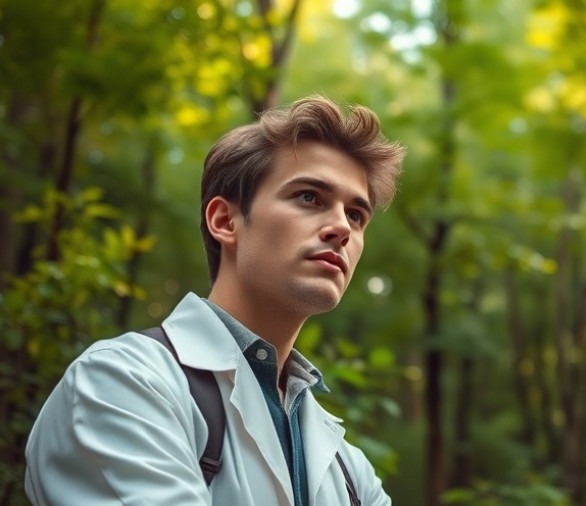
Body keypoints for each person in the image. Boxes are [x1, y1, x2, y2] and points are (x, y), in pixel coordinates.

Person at [24, 96, 405, 505]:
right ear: (225, 221)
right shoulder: (121, 382)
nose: (341, 228)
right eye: (309, 197)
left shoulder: (350, 469)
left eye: (356, 215)